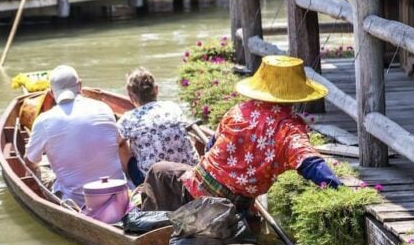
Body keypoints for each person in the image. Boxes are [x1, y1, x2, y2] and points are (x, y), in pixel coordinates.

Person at [134, 55, 343, 213]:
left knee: (158, 170)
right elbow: (311, 165)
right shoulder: (290, 130)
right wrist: (340, 189)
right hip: (239, 204)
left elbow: (210, 147)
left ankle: (152, 225)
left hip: (200, 191)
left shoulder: (239, 111)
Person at [24, 65, 125, 208]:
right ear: (80, 86)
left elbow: (30, 161)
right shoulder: (104, 108)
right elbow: (120, 143)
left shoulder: (43, 121)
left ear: (51, 93)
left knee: (34, 167)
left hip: (77, 201)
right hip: (118, 192)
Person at [118, 67, 199, 186]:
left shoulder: (128, 118)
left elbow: (115, 142)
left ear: (130, 96)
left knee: (122, 144)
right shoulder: (173, 107)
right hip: (190, 172)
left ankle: (137, 186)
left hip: (156, 182)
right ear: (156, 90)